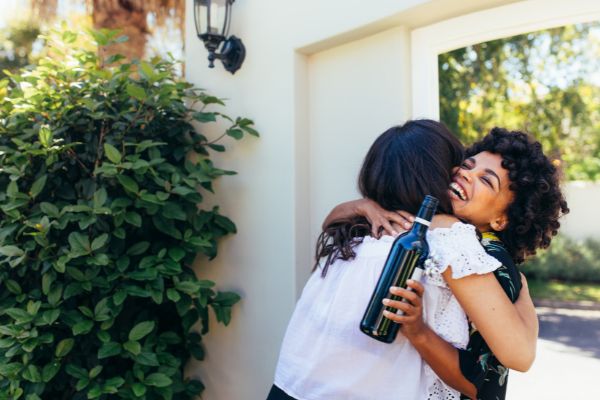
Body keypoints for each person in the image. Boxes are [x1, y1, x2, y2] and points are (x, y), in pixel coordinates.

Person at [267, 121, 565, 399]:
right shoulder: (444, 236)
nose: (465, 174)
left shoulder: (360, 234)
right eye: (466, 165)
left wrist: (360, 205)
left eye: (486, 180)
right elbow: (518, 357)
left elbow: (516, 356)